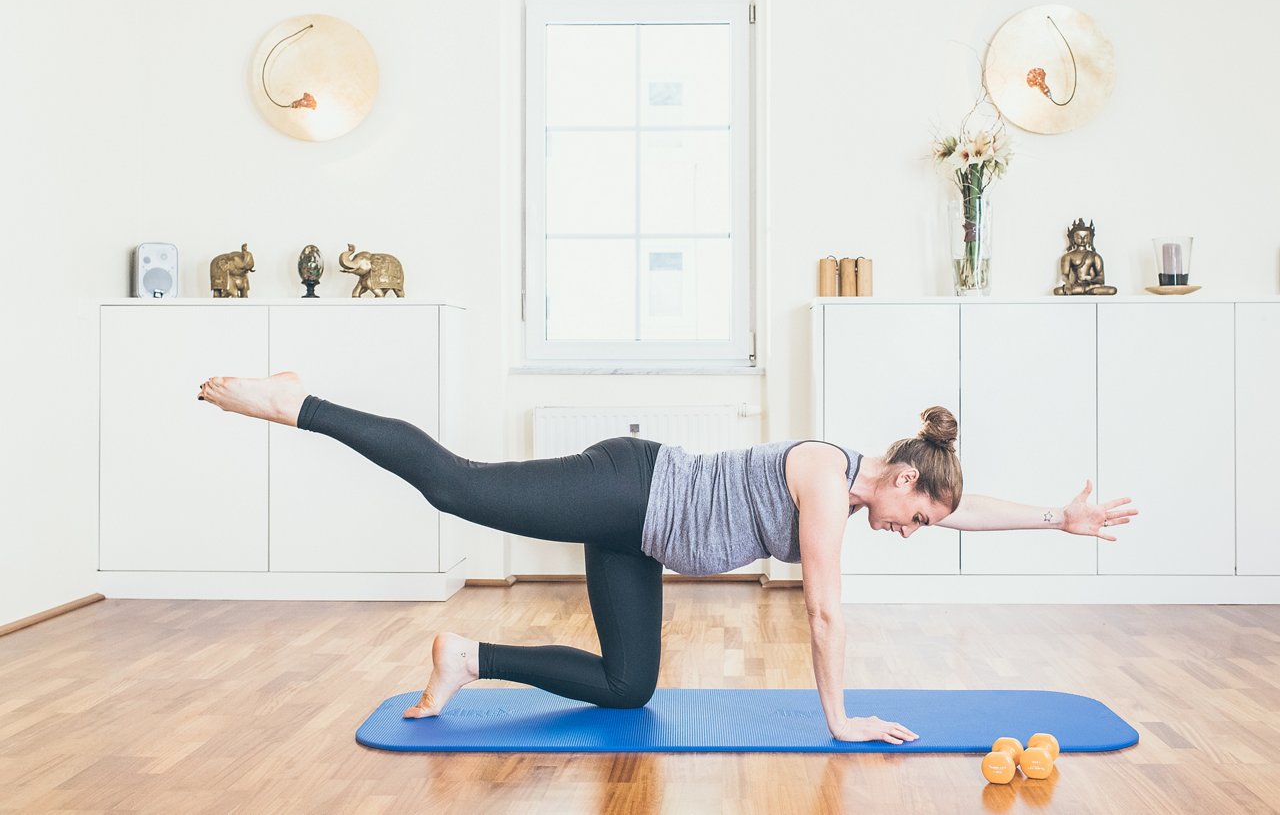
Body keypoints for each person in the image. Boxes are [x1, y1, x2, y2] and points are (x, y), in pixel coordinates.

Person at [197, 372, 1136, 745]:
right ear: (896, 476)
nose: (914, 530)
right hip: (627, 488)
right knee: (454, 482)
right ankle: (297, 402)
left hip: (637, 537)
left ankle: (465, 659)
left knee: (628, 685)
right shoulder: (822, 476)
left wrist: (1059, 516)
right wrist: (839, 719)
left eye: (925, 525)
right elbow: (824, 612)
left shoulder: (862, 491)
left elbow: (967, 517)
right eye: (917, 516)